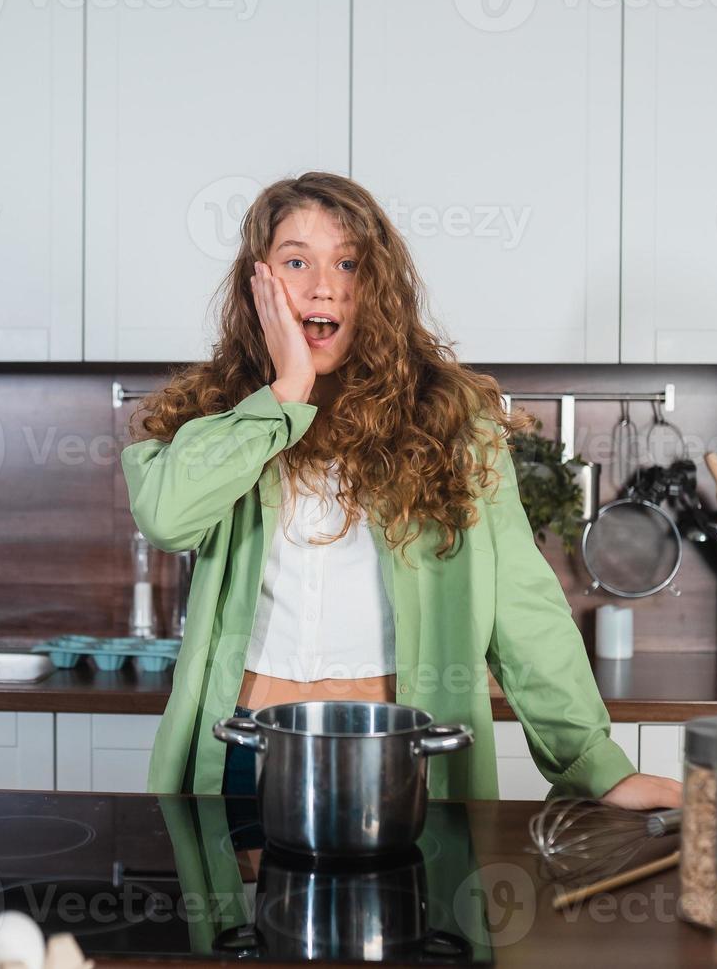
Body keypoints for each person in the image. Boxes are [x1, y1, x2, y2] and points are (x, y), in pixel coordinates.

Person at [121, 171, 681, 809]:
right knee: (249, 909)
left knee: (407, 906)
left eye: (349, 262)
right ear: (259, 281)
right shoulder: (219, 415)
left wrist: (595, 763)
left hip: (397, 749)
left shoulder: (449, 418)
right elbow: (167, 518)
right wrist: (285, 394)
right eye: (295, 261)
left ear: (377, 284)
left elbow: (520, 602)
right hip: (244, 749)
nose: (324, 285)